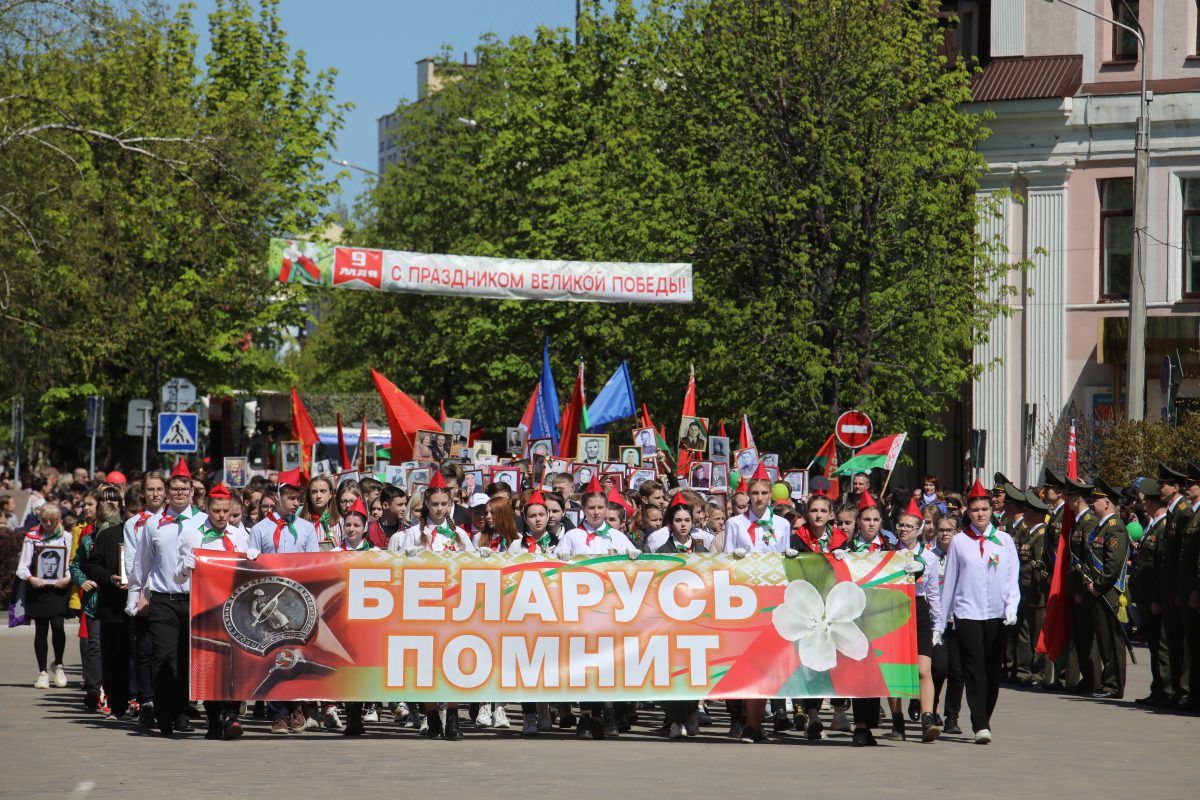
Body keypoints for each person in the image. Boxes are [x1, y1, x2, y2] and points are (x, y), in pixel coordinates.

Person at [126, 458, 206, 736]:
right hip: (163, 599)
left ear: (193, 492)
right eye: (175, 489)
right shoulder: (154, 524)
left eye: (185, 489)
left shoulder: (204, 522)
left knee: (188, 658)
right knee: (163, 657)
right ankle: (164, 712)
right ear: (168, 492)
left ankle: (183, 710)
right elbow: (142, 563)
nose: (180, 493)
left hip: (196, 600)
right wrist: (134, 596)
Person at [935, 479, 1019, 744]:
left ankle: (985, 716)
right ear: (967, 513)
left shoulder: (1004, 540)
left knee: (993, 670)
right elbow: (949, 583)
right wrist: (940, 623)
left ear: (991, 510)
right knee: (974, 669)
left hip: (996, 613)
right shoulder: (960, 542)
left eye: (984, 509)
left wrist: (1011, 607)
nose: (980, 514)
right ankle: (979, 723)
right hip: (967, 613)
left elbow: (1011, 578)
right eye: (975, 510)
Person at [176, 483, 252, 740]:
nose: (221, 516)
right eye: (216, 510)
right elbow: (177, 576)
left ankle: (231, 715)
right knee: (208, 664)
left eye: (225, 511)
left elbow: (249, 573)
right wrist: (186, 568)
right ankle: (212, 717)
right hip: (205, 608)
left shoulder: (240, 535)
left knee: (235, 663)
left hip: (235, 608)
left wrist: (254, 560)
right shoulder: (191, 534)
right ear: (207, 509)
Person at [247, 468, 319, 733]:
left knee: (299, 652)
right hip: (270, 600)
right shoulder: (260, 529)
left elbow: (313, 563)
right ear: (278, 497)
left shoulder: (306, 528)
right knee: (274, 654)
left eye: (298, 498)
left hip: (298, 599)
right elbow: (251, 564)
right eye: (290, 497)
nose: (295, 503)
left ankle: (296, 706)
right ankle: (277, 712)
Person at [891, 498, 941, 742]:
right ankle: (897, 720)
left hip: (919, 609)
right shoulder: (889, 554)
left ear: (919, 529)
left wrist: (938, 624)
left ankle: (927, 718)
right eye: (900, 525)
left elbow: (933, 593)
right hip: (894, 608)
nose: (903, 529)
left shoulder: (930, 558)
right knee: (895, 670)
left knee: (923, 669)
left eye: (909, 526)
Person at [1081, 478, 1131, 699]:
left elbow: (1113, 564)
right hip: (1098, 590)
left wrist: (1098, 585)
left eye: (1096, 499)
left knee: (1112, 640)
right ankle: (1107, 683)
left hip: (1109, 592)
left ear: (1108, 503)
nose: (1092, 503)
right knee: (1103, 639)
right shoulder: (1101, 527)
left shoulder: (1115, 527)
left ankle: (1113, 685)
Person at [85, 489, 132, 720]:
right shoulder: (109, 535)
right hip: (114, 606)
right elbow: (92, 566)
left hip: (147, 607)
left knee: (142, 656)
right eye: (131, 512)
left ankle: (144, 701)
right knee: (114, 656)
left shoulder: (153, 534)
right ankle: (117, 704)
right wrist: (110, 578)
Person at [17, 503, 74, 689]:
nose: (48, 524)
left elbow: (73, 565)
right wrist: (31, 578)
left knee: (58, 626)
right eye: (44, 520)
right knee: (40, 630)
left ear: (59, 519)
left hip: (58, 589)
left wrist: (67, 579)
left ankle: (59, 665)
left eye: (52, 520)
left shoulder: (67, 537)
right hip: (39, 590)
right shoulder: (32, 538)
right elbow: (22, 567)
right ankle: (42, 672)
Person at [1133, 478, 1170, 706]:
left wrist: (1156, 598)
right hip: (1145, 597)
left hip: (1154, 598)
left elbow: (1160, 569)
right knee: (1154, 646)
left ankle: (1164, 691)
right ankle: (1157, 689)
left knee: (1161, 647)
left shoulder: (1163, 525)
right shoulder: (1152, 525)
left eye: (1145, 500)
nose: (1143, 504)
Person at [930, 514, 965, 734]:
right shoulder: (930, 556)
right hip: (937, 622)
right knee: (939, 668)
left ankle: (952, 716)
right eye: (941, 529)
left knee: (957, 672)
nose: (944, 533)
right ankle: (930, 709)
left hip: (959, 619)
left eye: (949, 530)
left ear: (957, 532)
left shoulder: (963, 556)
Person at [1017, 489, 1051, 688]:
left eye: (1027, 510)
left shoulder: (1041, 534)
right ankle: (1026, 670)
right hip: (1025, 590)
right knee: (1026, 633)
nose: (1024, 514)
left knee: (1038, 635)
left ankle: (1040, 674)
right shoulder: (1028, 534)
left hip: (1037, 593)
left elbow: (1039, 566)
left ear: (1035, 512)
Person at [303, 474, 339, 551]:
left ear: (330, 494)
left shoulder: (340, 521)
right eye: (314, 492)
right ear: (309, 495)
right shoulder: (301, 523)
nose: (318, 496)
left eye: (323, 491)